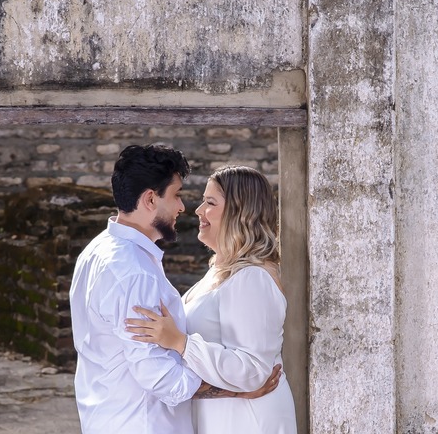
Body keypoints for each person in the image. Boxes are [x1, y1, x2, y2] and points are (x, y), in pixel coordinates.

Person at [69, 146, 282, 434]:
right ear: (149, 199)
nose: (185, 207)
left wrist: (181, 343)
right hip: (143, 424)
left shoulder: (95, 252)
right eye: (177, 195)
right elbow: (163, 380)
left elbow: (251, 364)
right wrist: (235, 392)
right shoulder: (135, 272)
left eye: (209, 202)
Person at [126, 165, 297, 434]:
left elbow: (253, 371)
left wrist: (180, 343)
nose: (197, 210)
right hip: (224, 417)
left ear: (239, 212)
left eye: (210, 202)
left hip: (247, 421)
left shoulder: (252, 278)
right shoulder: (219, 272)